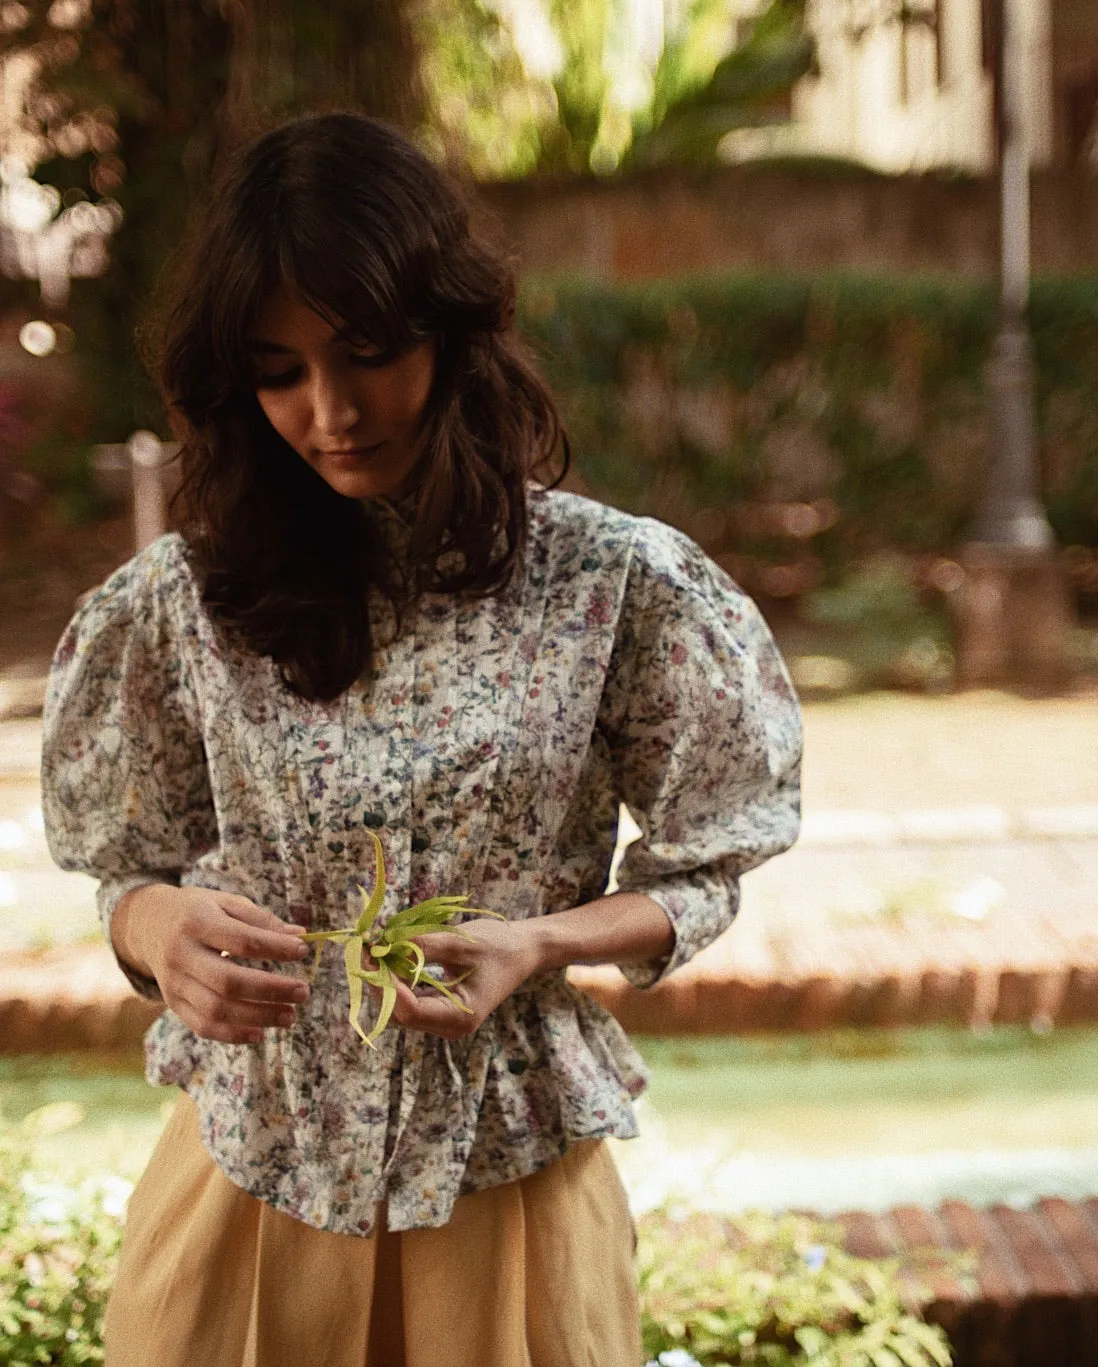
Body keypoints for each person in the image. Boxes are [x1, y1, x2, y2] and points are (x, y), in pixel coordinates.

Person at [40, 112, 802, 1367]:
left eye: (368, 351)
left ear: (450, 330)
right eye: (279, 371)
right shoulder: (179, 601)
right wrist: (154, 928)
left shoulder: (618, 584)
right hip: (248, 1177)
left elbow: (706, 866)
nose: (330, 411)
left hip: (509, 1190)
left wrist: (542, 940)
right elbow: (126, 865)